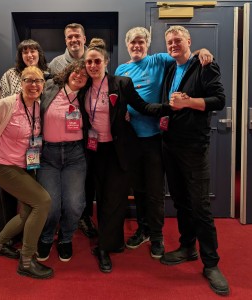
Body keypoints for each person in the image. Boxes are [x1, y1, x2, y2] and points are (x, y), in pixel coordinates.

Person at [115, 27, 213, 258]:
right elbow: (117, 99)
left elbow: (183, 54)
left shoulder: (158, 60)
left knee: (155, 190)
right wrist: (122, 113)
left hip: (154, 139)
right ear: (127, 45)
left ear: (147, 44)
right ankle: (144, 229)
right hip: (131, 140)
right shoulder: (121, 69)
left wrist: (202, 50)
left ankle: (157, 236)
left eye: (141, 42)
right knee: (138, 189)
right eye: (132, 43)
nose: (136, 46)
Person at [81, 38, 169, 273]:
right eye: (88, 61)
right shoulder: (82, 88)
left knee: (115, 198)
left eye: (97, 61)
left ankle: (104, 248)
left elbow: (142, 107)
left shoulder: (122, 82)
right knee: (100, 196)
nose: (92, 65)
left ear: (106, 62)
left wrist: (168, 108)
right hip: (94, 150)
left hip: (119, 150)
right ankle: (112, 242)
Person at [158, 25, 229, 296]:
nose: (173, 44)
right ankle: (187, 247)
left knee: (200, 206)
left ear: (189, 41)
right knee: (181, 201)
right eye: (169, 41)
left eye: (178, 40)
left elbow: (219, 100)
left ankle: (211, 263)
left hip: (194, 146)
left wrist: (189, 103)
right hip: (169, 144)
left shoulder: (204, 65)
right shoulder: (169, 68)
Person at [0, 66, 53, 279]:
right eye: (29, 80)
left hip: (25, 165)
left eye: (38, 81)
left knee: (29, 211)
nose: (34, 85)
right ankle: (26, 261)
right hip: (2, 165)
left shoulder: (38, 107)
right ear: (21, 82)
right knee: (43, 201)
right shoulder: (6, 104)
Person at [0, 39, 51, 238]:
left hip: (36, 144)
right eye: (25, 52)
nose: (29, 55)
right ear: (20, 56)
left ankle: (28, 232)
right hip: (8, 144)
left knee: (31, 196)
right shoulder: (10, 75)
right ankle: (3, 233)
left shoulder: (48, 77)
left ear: (39, 54)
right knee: (7, 192)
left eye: (33, 51)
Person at [36, 60, 89, 262]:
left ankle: (66, 238)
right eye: (76, 72)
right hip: (48, 154)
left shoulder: (86, 95)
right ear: (68, 72)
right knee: (50, 205)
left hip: (75, 155)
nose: (79, 76)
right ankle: (47, 237)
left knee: (75, 204)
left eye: (84, 75)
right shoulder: (50, 87)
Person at [49, 23, 98, 239]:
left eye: (77, 36)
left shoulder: (94, 60)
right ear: (65, 40)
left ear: (84, 37)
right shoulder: (56, 63)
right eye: (69, 37)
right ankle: (61, 219)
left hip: (88, 128)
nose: (73, 40)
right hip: (60, 129)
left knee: (86, 178)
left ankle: (84, 217)